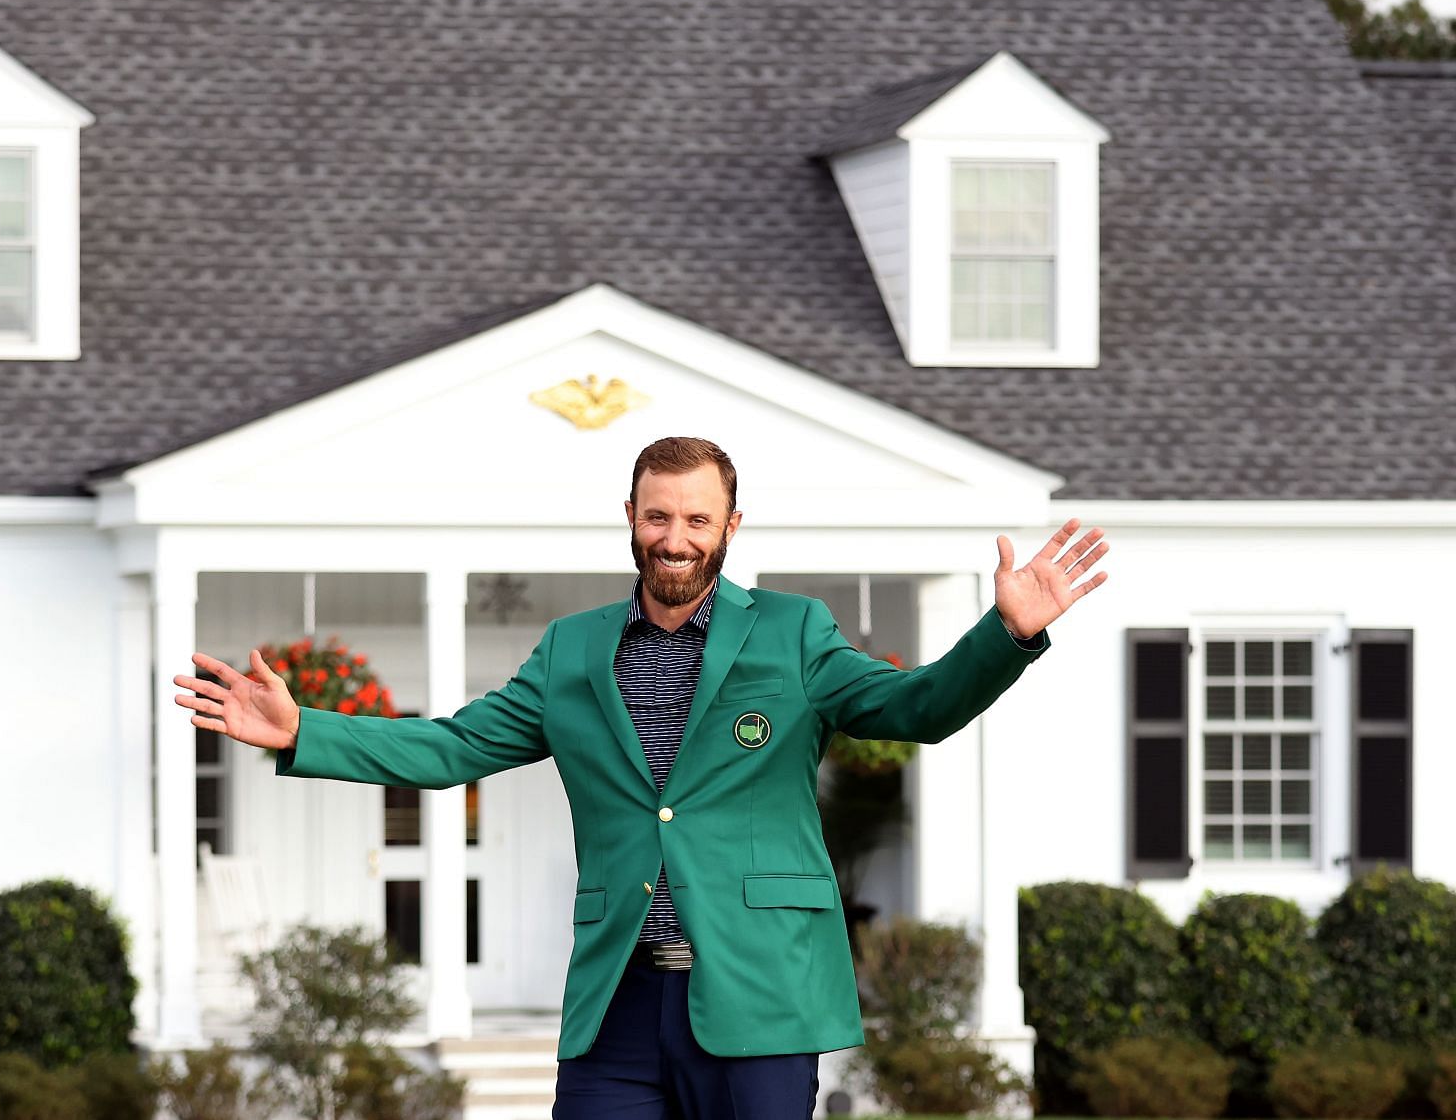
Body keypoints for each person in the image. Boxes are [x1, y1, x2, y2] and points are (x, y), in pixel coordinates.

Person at [176, 436, 1109, 1120]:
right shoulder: (571, 651)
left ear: (730, 528)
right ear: (630, 518)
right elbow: (454, 747)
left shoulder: (794, 633)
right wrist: (303, 731)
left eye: (697, 519)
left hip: (758, 995)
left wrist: (1009, 634)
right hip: (617, 1004)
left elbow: (921, 708)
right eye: (658, 515)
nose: (676, 537)